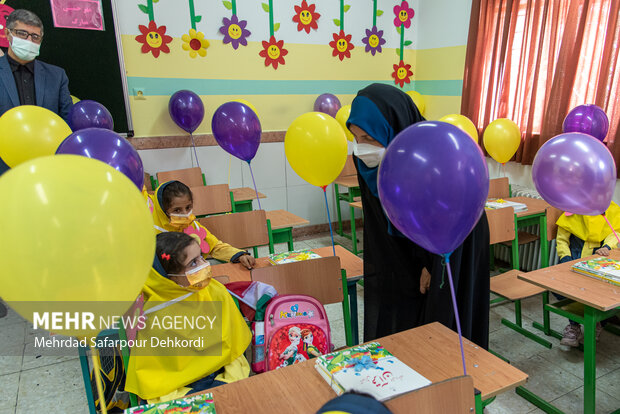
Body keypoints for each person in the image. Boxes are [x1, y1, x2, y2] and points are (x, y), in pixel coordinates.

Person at [346, 83, 490, 349]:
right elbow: (383, 224)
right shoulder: (368, 163)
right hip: (412, 247)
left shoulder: (429, 158)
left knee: (443, 318)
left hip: (454, 244)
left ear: (393, 126)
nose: (360, 148)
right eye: (355, 138)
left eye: (368, 138)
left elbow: (441, 220)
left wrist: (431, 263)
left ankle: (448, 374)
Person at [125, 232, 251, 402]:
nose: (204, 265)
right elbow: (155, 371)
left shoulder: (213, 290)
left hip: (220, 372)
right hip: (179, 386)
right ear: (167, 278)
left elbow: (233, 344)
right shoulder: (149, 313)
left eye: (201, 257)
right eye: (193, 263)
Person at [0, 9, 73, 174]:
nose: (29, 40)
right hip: (4, 168)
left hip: (47, 166)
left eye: (35, 36)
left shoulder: (57, 75)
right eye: (22, 33)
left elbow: (67, 120)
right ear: (8, 34)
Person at [148, 180, 256, 269]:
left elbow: (214, 246)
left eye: (188, 207)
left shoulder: (192, 226)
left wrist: (240, 255)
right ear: (163, 209)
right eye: (177, 210)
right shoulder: (151, 230)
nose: (185, 214)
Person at [554, 202, 620, 346]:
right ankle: (574, 325)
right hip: (574, 260)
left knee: (604, 291)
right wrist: (565, 257)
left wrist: (607, 247)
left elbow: (615, 232)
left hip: (599, 261)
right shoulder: (572, 210)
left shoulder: (610, 209)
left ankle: (599, 323)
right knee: (564, 289)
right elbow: (562, 239)